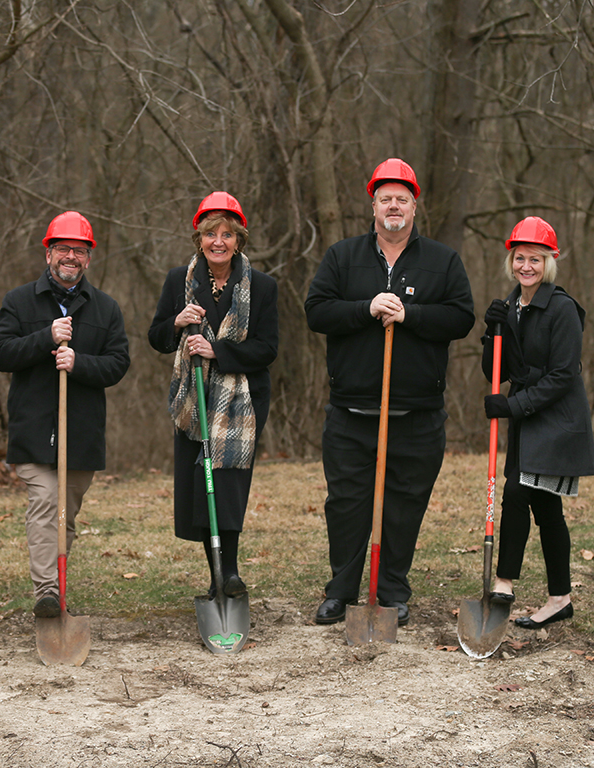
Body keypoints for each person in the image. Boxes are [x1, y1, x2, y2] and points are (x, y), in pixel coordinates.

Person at [304, 158, 474, 626]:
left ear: (414, 207)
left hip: (416, 414)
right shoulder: (343, 256)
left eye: (402, 198)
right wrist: (366, 308)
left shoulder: (443, 261)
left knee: (404, 506)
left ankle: (392, 591)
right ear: (373, 206)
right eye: (385, 199)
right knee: (345, 505)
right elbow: (316, 311)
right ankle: (341, 590)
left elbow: (461, 318)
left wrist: (411, 315)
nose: (393, 206)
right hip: (351, 411)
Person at [0, 211, 129, 618]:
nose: (71, 256)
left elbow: (118, 364)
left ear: (89, 258)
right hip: (33, 429)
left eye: (79, 251)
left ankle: (56, 582)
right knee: (46, 502)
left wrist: (79, 363)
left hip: (81, 432)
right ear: (48, 252)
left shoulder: (106, 309)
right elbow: (1, 355)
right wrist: (46, 338)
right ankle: (47, 593)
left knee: (65, 513)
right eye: (64, 249)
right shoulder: (18, 301)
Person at [148, 192, 278, 598]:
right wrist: (176, 322)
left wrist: (217, 350)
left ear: (239, 239)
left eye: (227, 234)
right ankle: (217, 575)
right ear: (198, 238)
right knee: (201, 484)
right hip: (194, 400)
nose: (218, 241)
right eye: (210, 234)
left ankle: (231, 571)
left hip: (243, 403)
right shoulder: (178, 282)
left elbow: (267, 349)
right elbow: (156, 338)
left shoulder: (262, 286)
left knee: (228, 484)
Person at [482, 216, 594, 629]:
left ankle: (504, 581)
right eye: (519, 258)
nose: (526, 266)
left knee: (516, 492)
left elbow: (564, 375)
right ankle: (559, 598)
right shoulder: (513, 305)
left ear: (549, 262)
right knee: (546, 509)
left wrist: (512, 407)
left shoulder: (562, 308)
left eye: (535, 258)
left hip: (556, 420)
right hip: (528, 419)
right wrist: (492, 332)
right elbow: (495, 370)